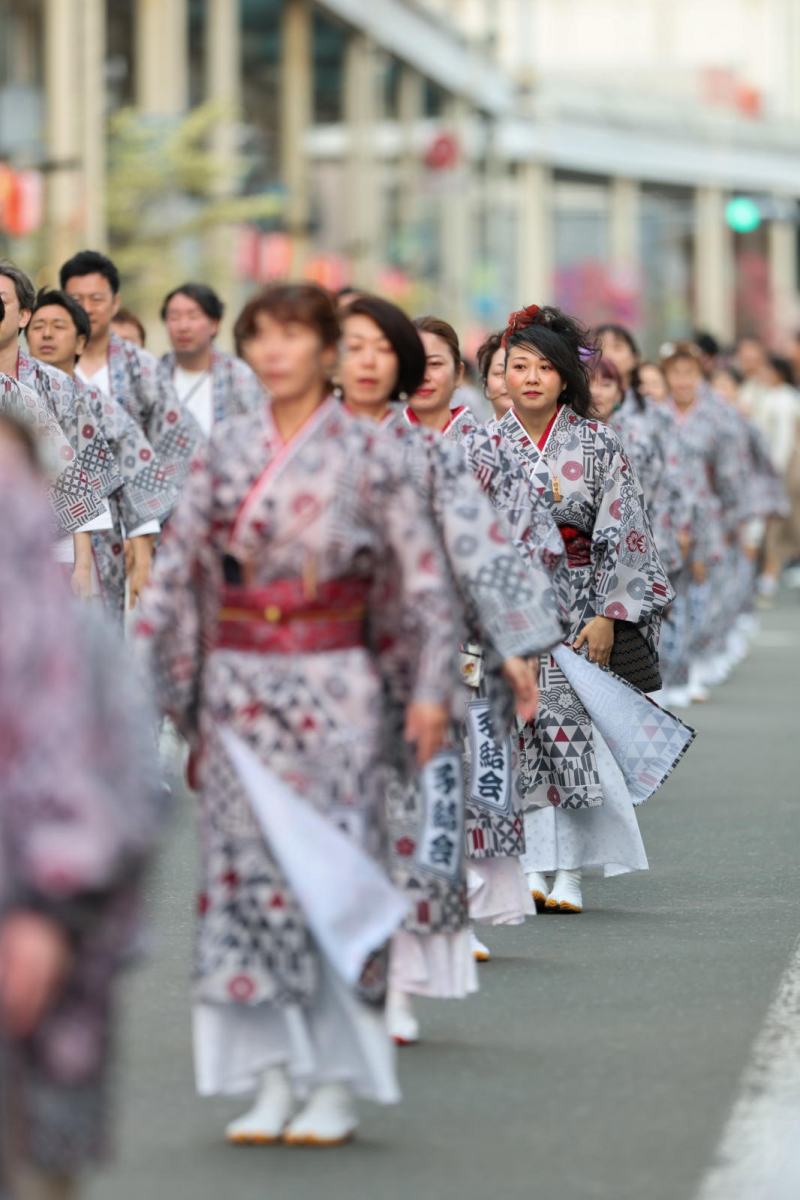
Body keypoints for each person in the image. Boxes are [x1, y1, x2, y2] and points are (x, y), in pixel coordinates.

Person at [137, 283, 458, 1147]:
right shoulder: (225, 449)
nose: (275, 352)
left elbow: (421, 582)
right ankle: (268, 1076)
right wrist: (165, 688)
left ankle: (334, 1083)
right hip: (238, 690)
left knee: (331, 874)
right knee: (244, 888)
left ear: (325, 350)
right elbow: (177, 578)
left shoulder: (372, 452)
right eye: (260, 337)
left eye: (294, 335)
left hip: (335, 687)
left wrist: (428, 690)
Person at [339, 296, 562, 1040]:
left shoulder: (445, 453)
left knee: (412, 811)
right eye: (350, 348)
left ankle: (400, 972)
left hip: (421, 656)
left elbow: (494, 548)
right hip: (308, 670)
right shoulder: (278, 446)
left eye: (388, 352)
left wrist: (511, 642)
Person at [0, 421, 164, 1200]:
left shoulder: (81, 640)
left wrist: (52, 912)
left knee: (45, 1146)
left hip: (56, 914)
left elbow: (127, 788)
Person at [490, 305, 687, 914]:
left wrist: (609, 613)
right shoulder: (484, 444)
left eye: (544, 367)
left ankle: (569, 872)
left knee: (572, 738)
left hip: (578, 610)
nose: (529, 378)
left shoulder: (598, 443)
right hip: (505, 611)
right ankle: (531, 865)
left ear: (564, 378)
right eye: (517, 366)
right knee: (517, 739)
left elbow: (626, 532)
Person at [26, 289, 177, 617]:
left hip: (93, 547)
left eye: (58, 326)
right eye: (38, 326)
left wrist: (143, 549)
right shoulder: (11, 392)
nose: (47, 334)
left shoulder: (96, 403)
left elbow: (137, 464)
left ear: (81, 343)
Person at [0, 262, 126, 592]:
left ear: (23, 315)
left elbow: (83, 479)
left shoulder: (57, 384)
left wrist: (82, 567)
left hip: (51, 541)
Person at [61, 250, 199, 498]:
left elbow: (172, 447)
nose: (87, 309)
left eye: (96, 299)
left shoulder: (144, 368)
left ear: (115, 303)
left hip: (131, 516)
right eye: (76, 299)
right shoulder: (45, 365)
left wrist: (151, 521)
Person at [159, 283, 263, 439]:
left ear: (214, 324)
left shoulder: (238, 376)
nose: (183, 326)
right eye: (174, 317)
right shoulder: (153, 376)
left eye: (193, 316)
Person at [476, 332, 513, 420]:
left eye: (520, 368)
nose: (507, 381)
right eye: (499, 373)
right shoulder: (477, 434)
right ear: (485, 382)